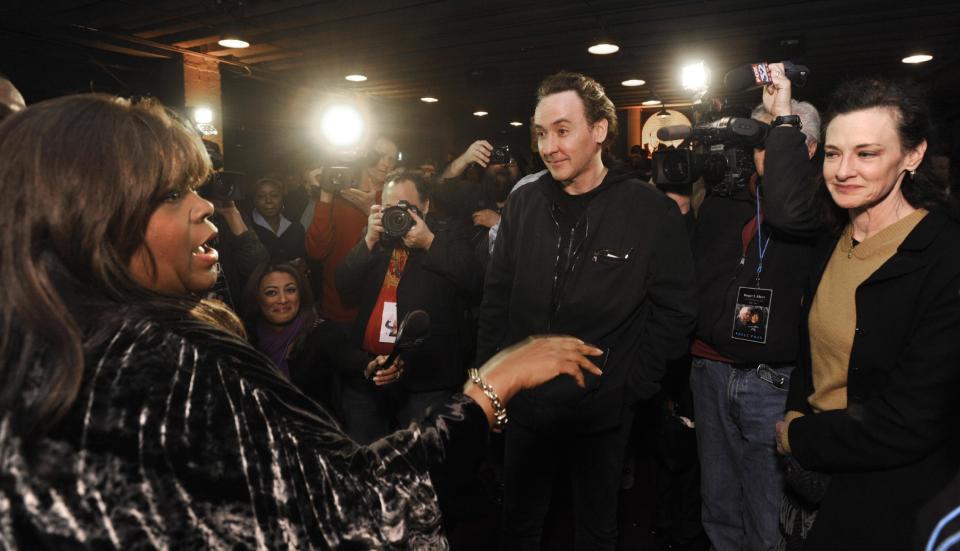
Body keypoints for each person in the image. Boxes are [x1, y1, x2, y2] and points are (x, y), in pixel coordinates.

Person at [0, 94, 607, 549]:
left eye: (196, 187)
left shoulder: (54, 348)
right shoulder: (159, 364)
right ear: (94, 222)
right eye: (169, 194)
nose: (206, 204)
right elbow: (353, 509)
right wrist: (490, 390)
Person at [477, 71, 698, 550]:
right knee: (517, 526)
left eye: (562, 130)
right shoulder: (524, 204)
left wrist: (629, 389)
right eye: (540, 134)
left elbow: (676, 311)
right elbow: (496, 298)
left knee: (596, 531)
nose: (549, 146)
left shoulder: (648, 210)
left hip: (601, 413)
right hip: (524, 407)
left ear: (599, 130)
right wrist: (492, 382)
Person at [774, 77, 960, 550]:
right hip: (817, 477)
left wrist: (799, 435)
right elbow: (809, 350)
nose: (843, 170)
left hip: (895, 496)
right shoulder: (830, 240)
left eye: (867, 153)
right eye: (833, 154)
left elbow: (910, 421)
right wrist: (796, 410)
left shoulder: (944, 256)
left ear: (913, 156)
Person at [688, 62, 821, 551]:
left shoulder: (818, 206)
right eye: (757, 140)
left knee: (767, 516)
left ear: (805, 147)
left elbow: (788, 208)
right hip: (709, 368)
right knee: (718, 504)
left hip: (771, 379)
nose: (758, 150)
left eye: (772, 138)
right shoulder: (725, 200)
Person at [335, 170, 483, 443]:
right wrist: (368, 240)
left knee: (423, 463)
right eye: (391, 208)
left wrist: (429, 242)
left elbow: (476, 280)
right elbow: (343, 285)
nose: (398, 215)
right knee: (364, 456)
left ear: (425, 206)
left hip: (425, 379)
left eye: (406, 207)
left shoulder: (448, 234)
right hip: (371, 370)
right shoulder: (376, 238)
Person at [246, 262, 367, 413]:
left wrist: (371, 365)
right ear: (257, 298)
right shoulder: (246, 336)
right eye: (271, 292)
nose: (283, 299)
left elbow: (349, 358)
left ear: (300, 295)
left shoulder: (321, 332)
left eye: (290, 290)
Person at [304, 136, 398, 325]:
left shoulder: (396, 200)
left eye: (391, 158)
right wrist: (326, 192)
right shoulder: (339, 194)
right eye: (379, 155)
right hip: (338, 309)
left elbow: (398, 254)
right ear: (364, 156)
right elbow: (316, 251)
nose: (385, 163)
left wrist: (370, 209)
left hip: (380, 311)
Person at [249, 177, 307, 263]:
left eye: (274, 195)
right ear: (255, 200)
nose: (268, 200)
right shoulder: (245, 228)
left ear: (283, 198)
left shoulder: (296, 228)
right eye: (261, 196)